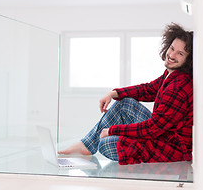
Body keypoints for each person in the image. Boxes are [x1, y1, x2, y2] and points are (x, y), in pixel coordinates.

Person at [58, 23, 193, 165]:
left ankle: (87, 145)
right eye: (172, 48)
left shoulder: (178, 86)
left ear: (188, 59)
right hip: (163, 135)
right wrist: (114, 93)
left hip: (170, 148)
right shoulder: (172, 75)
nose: (172, 55)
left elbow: (153, 128)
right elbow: (148, 89)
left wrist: (112, 130)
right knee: (125, 104)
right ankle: (86, 145)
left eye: (180, 53)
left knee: (105, 144)